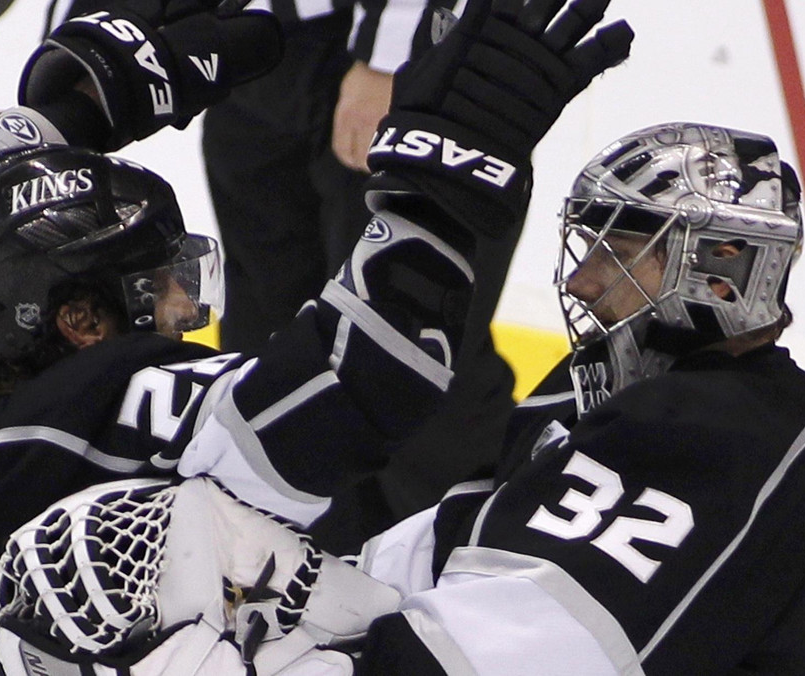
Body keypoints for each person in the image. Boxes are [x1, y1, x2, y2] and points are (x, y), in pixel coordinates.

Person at [0, 55, 805, 676]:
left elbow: (482, 657)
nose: (583, 275)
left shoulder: (718, 445)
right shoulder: (687, 409)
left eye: (628, 252)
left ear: (721, 271)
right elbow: (470, 536)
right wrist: (296, 571)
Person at [0, 0, 632, 673]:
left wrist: (72, 108)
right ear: (81, 321)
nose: (180, 300)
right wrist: (438, 190)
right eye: (153, 284)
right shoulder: (109, 421)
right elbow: (363, 377)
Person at [44, 0, 521, 560]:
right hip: (260, 49)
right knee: (269, 346)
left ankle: (484, 563)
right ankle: (306, 571)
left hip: (392, 54)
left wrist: (392, 56)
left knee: (418, 347)